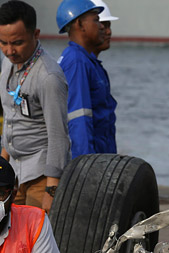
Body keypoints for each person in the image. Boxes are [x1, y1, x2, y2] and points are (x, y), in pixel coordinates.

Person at [0, 0, 71, 213]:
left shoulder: (49, 77)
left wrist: (51, 190)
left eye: (17, 43)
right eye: (3, 43)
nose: (9, 51)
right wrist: (2, 165)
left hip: (40, 176)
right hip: (13, 172)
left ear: (36, 34)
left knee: (38, 240)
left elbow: (58, 135)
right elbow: (10, 116)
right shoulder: (7, 63)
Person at [56, 0, 118, 159]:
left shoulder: (87, 62)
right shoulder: (77, 62)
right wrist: (85, 168)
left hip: (101, 159)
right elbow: (78, 119)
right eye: (96, 20)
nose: (103, 27)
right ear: (80, 24)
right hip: (89, 163)